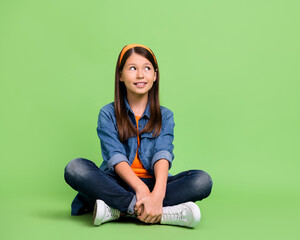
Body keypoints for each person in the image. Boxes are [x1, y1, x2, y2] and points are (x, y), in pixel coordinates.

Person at [64, 44, 212, 228]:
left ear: (155, 75)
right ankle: (158, 213)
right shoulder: (108, 114)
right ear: (120, 75)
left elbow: (162, 154)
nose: (140, 75)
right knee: (75, 168)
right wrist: (140, 189)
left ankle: (118, 210)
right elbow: (115, 156)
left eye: (147, 68)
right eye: (132, 68)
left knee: (202, 181)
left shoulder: (165, 116)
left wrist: (157, 194)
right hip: (116, 184)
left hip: (153, 184)